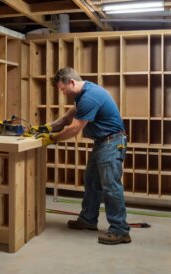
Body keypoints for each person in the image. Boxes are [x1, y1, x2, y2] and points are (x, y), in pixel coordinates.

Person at [36, 67, 131, 245]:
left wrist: (51, 139)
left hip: (111, 143)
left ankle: (120, 230)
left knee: (111, 186)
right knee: (92, 182)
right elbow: (65, 120)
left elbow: (74, 129)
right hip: (102, 143)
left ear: (71, 82)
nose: (63, 93)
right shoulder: (82, 95)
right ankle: (88, 219)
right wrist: (46, 128)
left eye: (63, 89)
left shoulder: (89, 97)